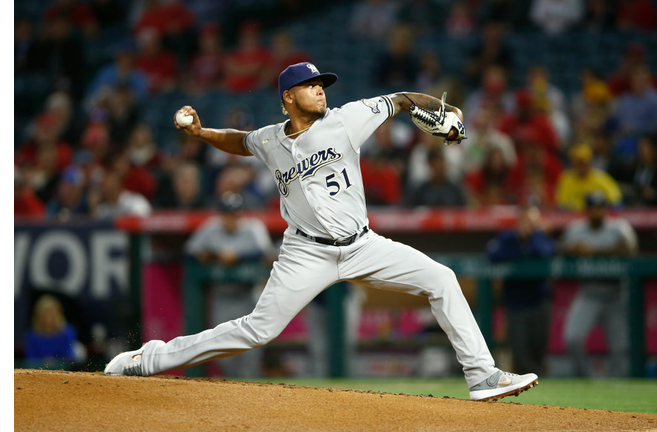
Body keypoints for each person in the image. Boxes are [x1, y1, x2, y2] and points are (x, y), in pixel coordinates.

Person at [105, 62, 538, 402]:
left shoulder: (347, 119)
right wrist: (201, 133)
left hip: (362, 245)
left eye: (322, 84)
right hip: (305, 253)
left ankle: (482, 376)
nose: (320, 89)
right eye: (311, 85)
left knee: (441, 279)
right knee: (258, 330)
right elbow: (239, 140)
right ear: (288, 97)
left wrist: (442, 112)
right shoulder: (271, 139)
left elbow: (402, 99)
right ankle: (152, 358)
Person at [184, 192, 274, 377]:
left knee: (251, 352)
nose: (230, 219)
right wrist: (214, 255)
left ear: (240, 214)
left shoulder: (253, 228)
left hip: (248, 296)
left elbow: (266, 254)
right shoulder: (211, 228)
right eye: (226, 214)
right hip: (222, 297)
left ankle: (251, 396)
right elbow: (189, 252)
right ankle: (233, 394)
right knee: (223, 352)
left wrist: (238, 257)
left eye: (234, 214)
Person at [558, 191, 638, 377]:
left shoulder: (619, 228)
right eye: (592, 208)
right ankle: (586, 379)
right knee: (573, 338)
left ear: (606, 209)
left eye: (600, 208)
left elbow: (630, 250)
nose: (596, 212)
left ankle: (618, 386)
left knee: (620, 347)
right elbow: (559, 248)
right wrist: (573, 249)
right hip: (589, 293)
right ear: (587, 210)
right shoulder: (576, 229)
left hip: (615, 293)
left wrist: (594, 251)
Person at [486, 205, 555, 375]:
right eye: (524, 221)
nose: (527, 225)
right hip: (516, 304)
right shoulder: (508, 238)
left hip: (539, 302)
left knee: (539, 346)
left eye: (532, 222)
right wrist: (521, 249)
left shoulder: (541, 238)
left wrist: (536, 235)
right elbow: (493, 255)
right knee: (520, 349)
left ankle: (541, 381)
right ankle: (527, 383)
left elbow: (545, 251)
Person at [555, 143, 622, 211]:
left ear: (590, 162)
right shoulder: (566, 178)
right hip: (572, 217)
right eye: (577, 162)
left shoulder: (601, 178)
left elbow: (615, 201)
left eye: (583, 162)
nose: (580, 166)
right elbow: (561, 203)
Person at [24, 294, 85, 367]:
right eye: (45, 314)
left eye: (51, 313)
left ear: (58, 314)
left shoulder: (67, 332)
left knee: (79, 350)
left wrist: (55, 362)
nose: (48, 317)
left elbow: (69, 356)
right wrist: (45, 362)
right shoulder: (32, 335)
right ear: (39, 315)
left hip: (63, 371)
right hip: (40, 371)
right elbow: (31, 359)